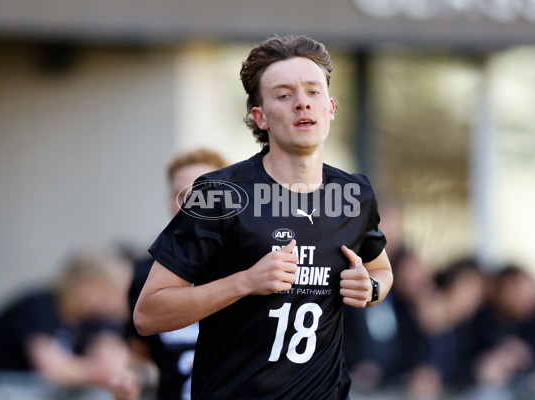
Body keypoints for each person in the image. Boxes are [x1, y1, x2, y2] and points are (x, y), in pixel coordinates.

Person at [134, 34, 393, 400]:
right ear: (261, 117)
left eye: (313, 92)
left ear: (331, 107)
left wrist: (372, 288)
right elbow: (148, 314)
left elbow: (381, 270)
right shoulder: (219, 193)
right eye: (284, 95)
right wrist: (245, 282)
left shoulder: (354, 194)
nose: (302, 103)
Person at [110, 148, 228, 400]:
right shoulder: (146, 274)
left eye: (202, 193)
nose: (189, 203)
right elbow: (143, 361)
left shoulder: (252, 266)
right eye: (179, 193)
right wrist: (132, 381)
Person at [0, 249, 131, 388]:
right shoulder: (38, 306)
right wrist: (96, 372)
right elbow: (51, 368)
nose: (111, 301)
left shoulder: (94, 317)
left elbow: (114, 360)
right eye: (106, 290)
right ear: (85, 284)